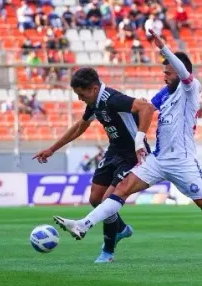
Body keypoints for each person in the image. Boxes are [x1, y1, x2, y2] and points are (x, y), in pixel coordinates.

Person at [53, 30, 202, 260]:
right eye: (163, 72)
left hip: (182, 161)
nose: (164, 76)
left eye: (168, 72)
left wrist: (163, 48)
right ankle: (83, 225)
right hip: (157, 159)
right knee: (121, 189)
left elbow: (184, 74)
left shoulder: (190, 89)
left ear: (180, 71)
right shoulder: (164, 93)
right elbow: (144, 108)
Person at [33, 67, 155, 263]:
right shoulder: (94, 102)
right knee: (96, 198)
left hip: (133, 156)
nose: (80, 98)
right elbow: (80, 126)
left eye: (81, 94)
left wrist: (140, 139)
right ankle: (121, 229)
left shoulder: (112, 99)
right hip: (115, 151)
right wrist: (52, 149)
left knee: (108, 199)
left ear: (93, 88)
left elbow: (146, 107)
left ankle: (108, 252)